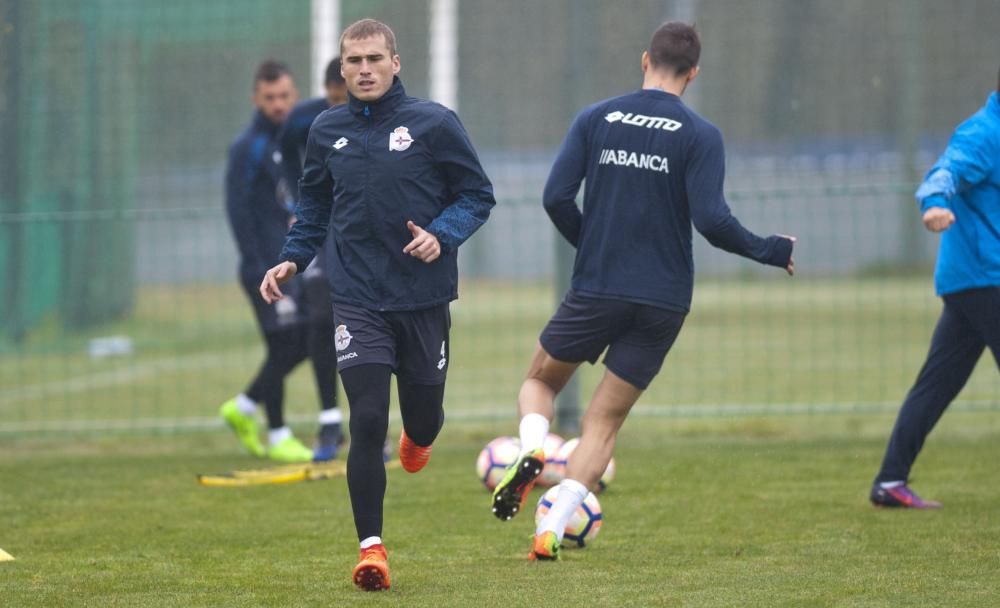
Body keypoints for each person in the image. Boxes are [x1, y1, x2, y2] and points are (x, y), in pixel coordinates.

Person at [489, 22, 796, 561]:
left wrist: (592, 245)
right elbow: (713, 221)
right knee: (603, 422)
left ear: (644, 59)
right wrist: (770, 249)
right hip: (663, 299)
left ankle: (535, 448)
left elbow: (556, 197)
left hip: (599, 286)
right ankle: (554, 527)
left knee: (539, 381)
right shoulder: (701, 135)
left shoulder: (596, 117)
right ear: (694, 73)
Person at [259, 19, 495, 591]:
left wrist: (441, 234)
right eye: (354, 61)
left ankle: (420, 436)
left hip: (423, 298)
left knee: (423, 419)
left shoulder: (434, 124)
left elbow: (477, 195)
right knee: (366, 419)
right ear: (341, 70)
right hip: (358, 298)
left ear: (395, 63)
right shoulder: (326, 130)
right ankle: (372, 550)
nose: (364, 69)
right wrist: (293, 258)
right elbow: (314, 206)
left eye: (374, 59)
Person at [869, 68, 1000, 510]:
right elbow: (945, 171)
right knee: (936, 384)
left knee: (936, 385)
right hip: (987, 278)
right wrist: (934, 205)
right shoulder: (983, 132)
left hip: (973, 283)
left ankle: (890, 481)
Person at [220, 59, 332, 463]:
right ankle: (276, 430)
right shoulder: (247, 148)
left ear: (295, 95)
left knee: (295, 342)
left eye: (285, 96)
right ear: (256, 99)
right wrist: (256, 264)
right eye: (270, 98)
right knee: (289, 342)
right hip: (262, 266)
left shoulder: (296, 141)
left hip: (288, 262)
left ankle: (247, 409)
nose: (278, 104)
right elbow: (238, 211)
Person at [277, 57, 349, 461]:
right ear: (326, 91)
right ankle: (329, 420)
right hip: (322, 229)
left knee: (373, 322)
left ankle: (373, 425)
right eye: (334, 98)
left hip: (362, 230)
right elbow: (288, 153)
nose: (340, 107)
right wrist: (297, 198)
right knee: (322, 319)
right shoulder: (307, 121)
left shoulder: (376, 119)